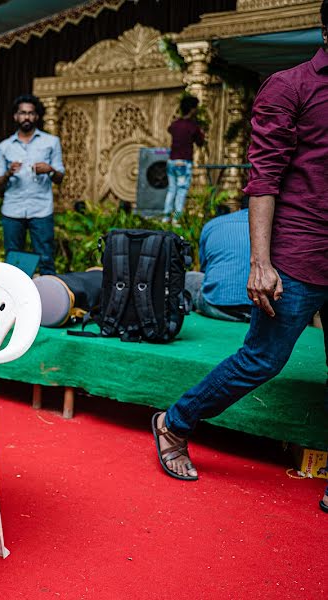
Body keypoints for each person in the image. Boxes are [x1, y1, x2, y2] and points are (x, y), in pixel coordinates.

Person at [153, 2, 327, 517]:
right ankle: (174, 423)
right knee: (262, 359)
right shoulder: (290, 85)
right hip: (297, 253)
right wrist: (260, 261)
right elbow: (264, 178)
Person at [0, 94, 64, 275]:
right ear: (16, 116)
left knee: (46, 258)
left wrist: (50, 169)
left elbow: (60, 177)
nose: (27, 117)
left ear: (36, 117)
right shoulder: (4, 147)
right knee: (13, 260)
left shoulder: (51, 142)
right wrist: (8, 172)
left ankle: (50, 301)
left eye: (31, 113)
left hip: (41, 209)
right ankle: (15, 301)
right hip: (13, 210)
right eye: (22, 113)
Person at [184, 198, 253, 322]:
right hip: (263, 310)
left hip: (216, 305)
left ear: (238, 209)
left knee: (187, 277)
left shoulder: (213, 225)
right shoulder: (278, 227)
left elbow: (205, 269)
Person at [162, 95, 205, 222]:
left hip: (172, 161)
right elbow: (200, 142)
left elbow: (170, 129)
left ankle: (165, 218)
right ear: (192, 109)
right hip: (183, 163)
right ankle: (176, 220)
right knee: (181, 192)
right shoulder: (192, 126)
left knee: (171, 190)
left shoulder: (175, 125)